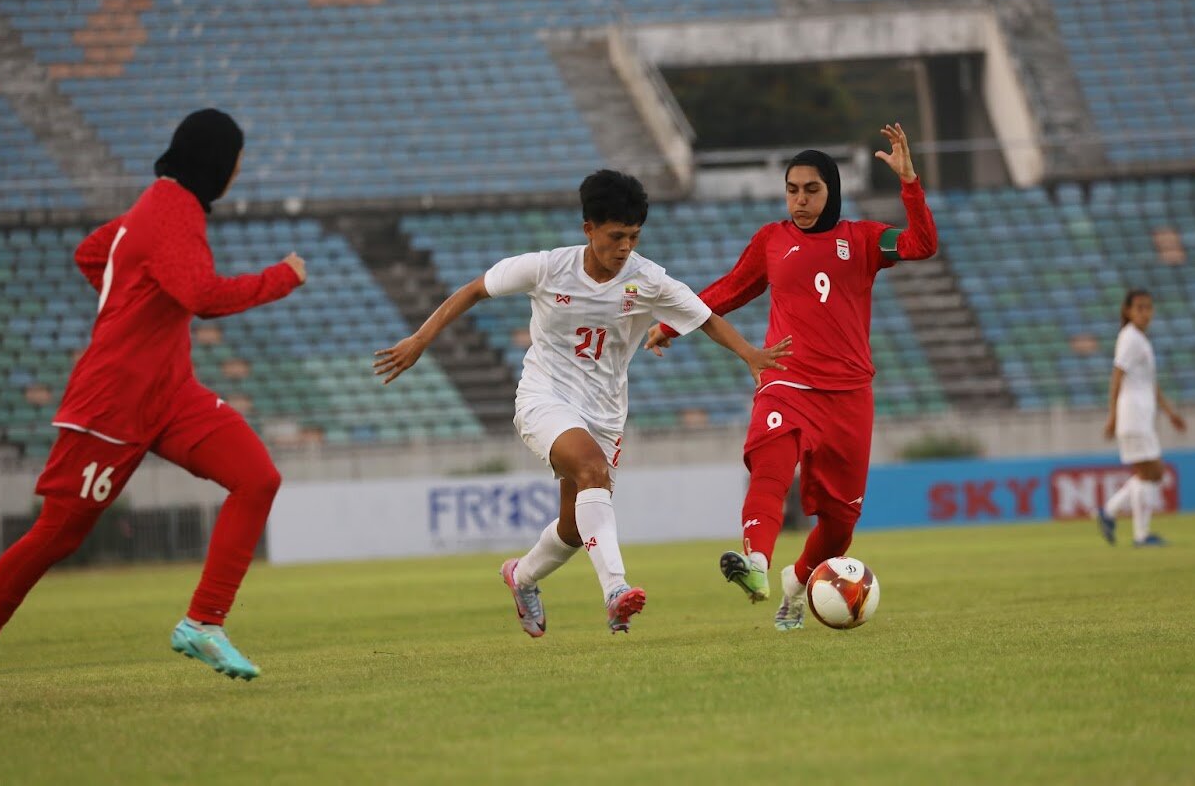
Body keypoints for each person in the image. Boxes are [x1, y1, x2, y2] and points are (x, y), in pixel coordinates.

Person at [374, 170, 791, 636]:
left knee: (575, 528)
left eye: (633, 237)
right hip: (544, 396)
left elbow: (706, 317)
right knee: (592, 470)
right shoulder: (547, 268)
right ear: (588, 229)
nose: (625, 247)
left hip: (606, 413)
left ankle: (522, 576)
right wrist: (420, 339)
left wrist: (750, 354)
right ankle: (616, 590)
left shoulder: (647, 279)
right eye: (616, 236)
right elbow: (476, 289)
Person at [0, 109, 306, 680]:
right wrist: (281, 276)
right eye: (236, 161)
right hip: (113, 401)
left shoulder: (155, 205)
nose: (236, 172)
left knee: (257, 478)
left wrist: (132, 307)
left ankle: (204, 622)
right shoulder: (174, 208)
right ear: (216, 161)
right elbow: (201, 294)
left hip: (168, 392)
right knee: (57, 535)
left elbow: (93, 254)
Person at [645, 123, 938, 631]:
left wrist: (909, 182)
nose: (799, 200)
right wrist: (672, 324)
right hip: (786, 378)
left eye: (812, 189)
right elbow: (732, 288)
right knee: (769, 471)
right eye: (792, 190)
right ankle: (756, 566)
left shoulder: (864, 240)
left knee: (841, 524)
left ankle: (796, 582)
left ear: (832, 191)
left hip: (848, 395)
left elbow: (921, 244)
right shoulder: (772, 241)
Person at [1096, 289, 1186, 547]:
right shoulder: (1129, 338)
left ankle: (1110, 513)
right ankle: (1140, 534)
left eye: (1148, 307)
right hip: (1132, 414)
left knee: (1150, 473)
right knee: (1153, 471)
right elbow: (1117, 376)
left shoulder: (1141, 340)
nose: (1145, 313)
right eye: (1139, 308)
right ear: (1128, 311)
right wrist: (1112, 415)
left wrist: (1170, 413)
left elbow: (1150, 383)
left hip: (1142, 415)